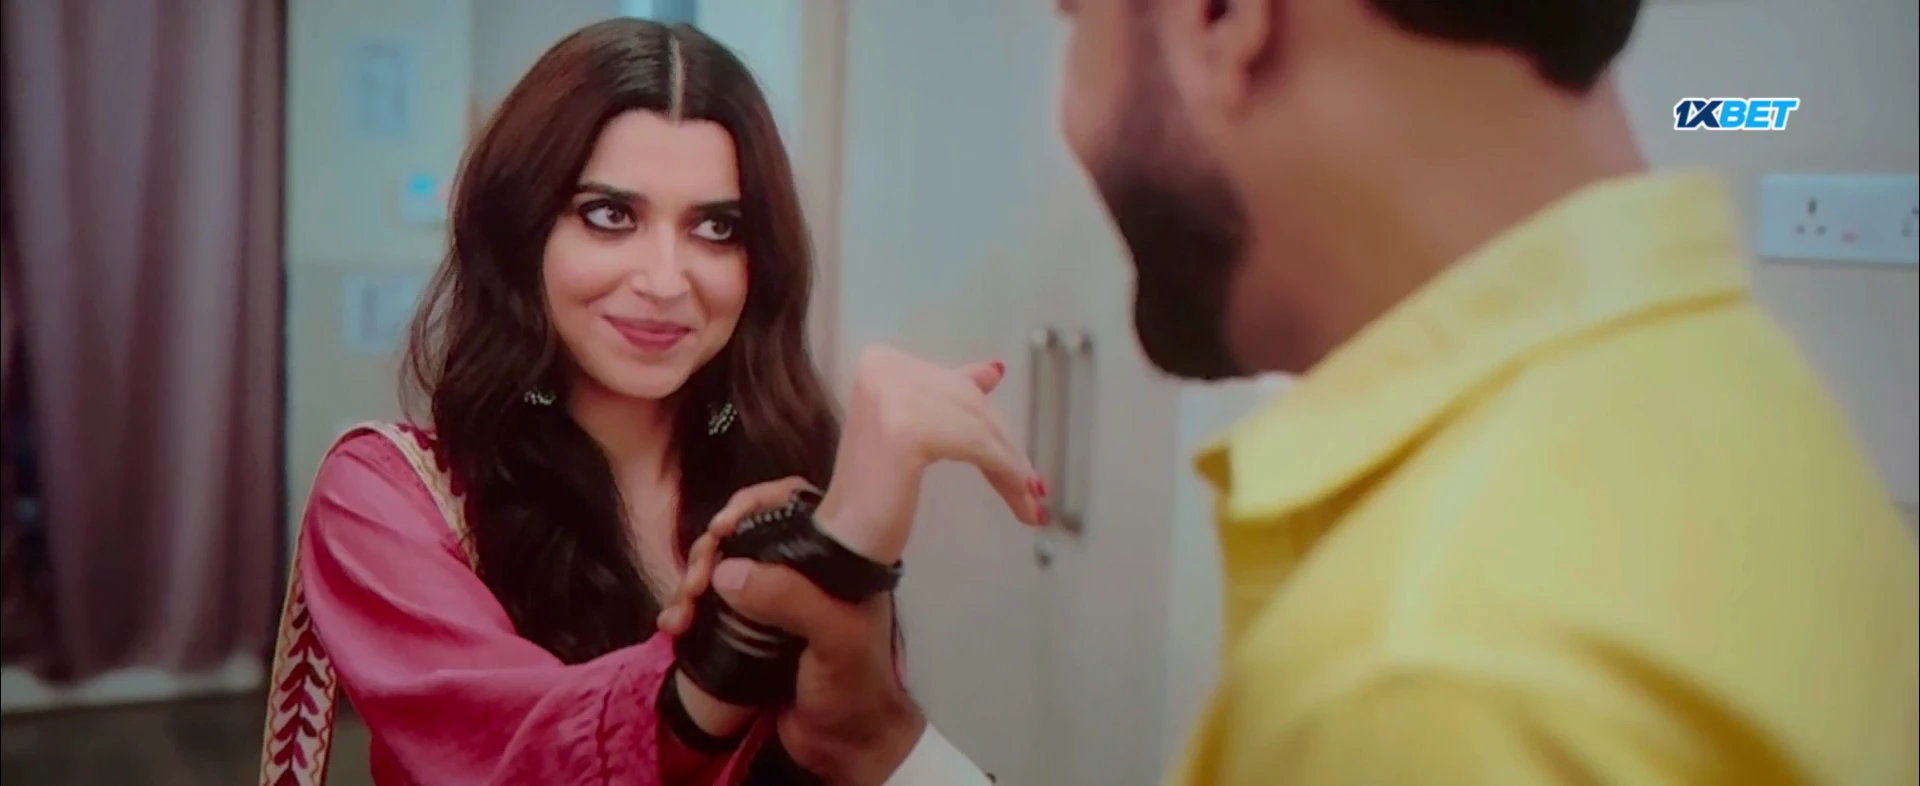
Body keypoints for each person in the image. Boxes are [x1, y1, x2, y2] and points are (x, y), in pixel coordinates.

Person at [661, 1, 1920, 784]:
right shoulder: (1740, 406)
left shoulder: (1429, 677)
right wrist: (885, 750)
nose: (1073, 118)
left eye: (1074, 21)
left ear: (1223, 19)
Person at [258, 18, 1044, 786]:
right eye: (610, 216)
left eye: (716, 227)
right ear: (522, 232)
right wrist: (770, 609)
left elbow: (856, 748)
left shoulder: (788, 480)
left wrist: (838, 550)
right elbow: (513, 760)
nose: (666, 280)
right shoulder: (387, 495)